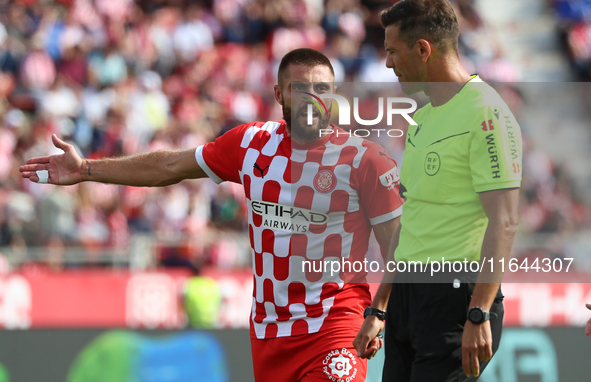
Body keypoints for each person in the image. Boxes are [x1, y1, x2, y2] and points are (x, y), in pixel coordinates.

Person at [20, 48, 404, 382]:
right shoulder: (252, 145)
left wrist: (380, 312)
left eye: (322, 89)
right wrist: (87, 168)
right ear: (279, 94)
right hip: (270, 334)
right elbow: (169, 166)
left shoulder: (363, 160)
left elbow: (399, 248)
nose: (313, 99)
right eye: (301, 88)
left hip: (336, 325)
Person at [353, 0, 522, 382]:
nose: (389, 63)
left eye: (393, 51)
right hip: (406, 302)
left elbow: (506, 221)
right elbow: (411, 221)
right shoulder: (423, 120)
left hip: (455, 297)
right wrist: (381, 307)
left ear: (424, 49)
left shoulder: (486, 112)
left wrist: (478, 312)